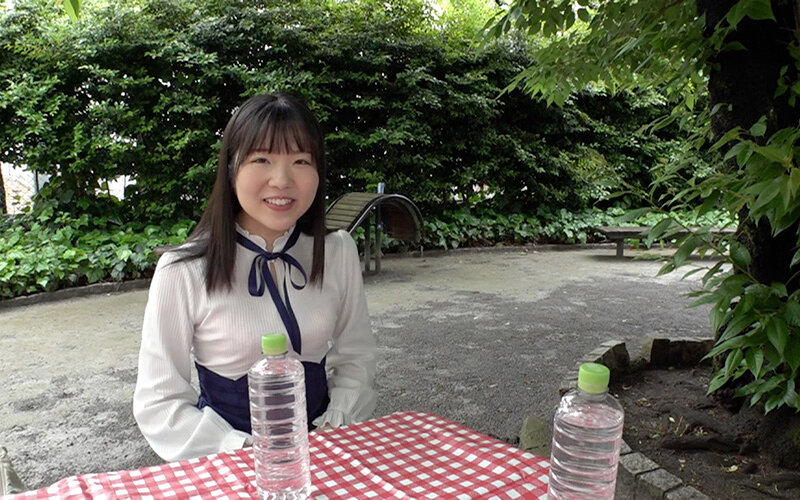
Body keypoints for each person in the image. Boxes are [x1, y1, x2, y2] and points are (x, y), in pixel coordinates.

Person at [133, 93, 377, 462]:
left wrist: (333, 428)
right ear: (232, 169)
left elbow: (357, 358)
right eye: (262, 159)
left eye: (300, 161)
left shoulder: (336, 250)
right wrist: (243, 450)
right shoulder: (183, 270)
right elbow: (159, 401)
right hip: (228, 461)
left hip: (327, 452)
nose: (282, 180)